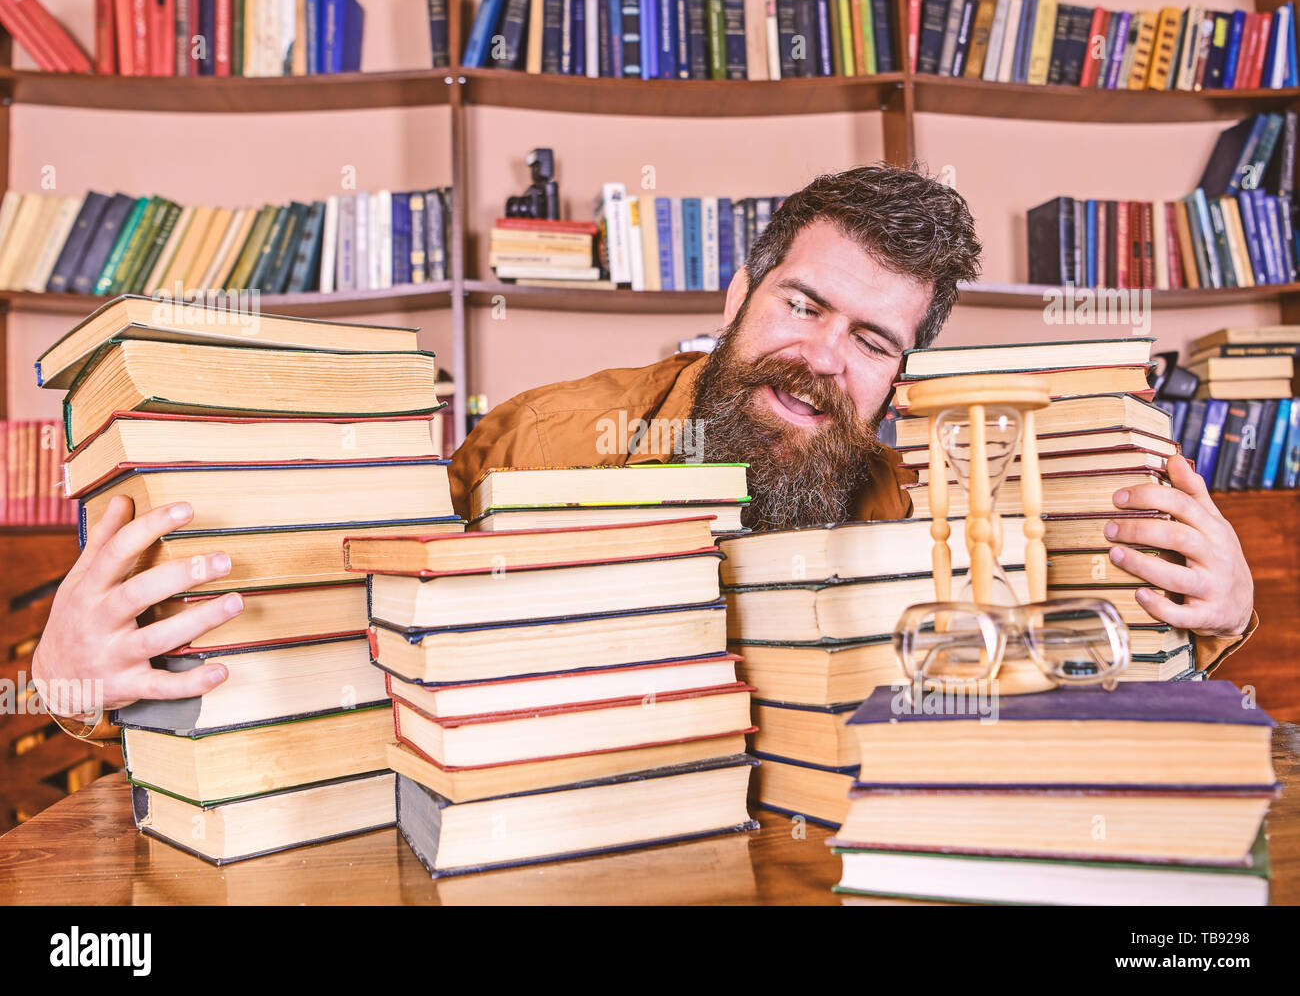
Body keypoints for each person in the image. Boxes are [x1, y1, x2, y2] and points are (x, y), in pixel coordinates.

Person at [32, 163, 1256, 744]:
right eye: (801, 306)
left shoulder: (930, 500)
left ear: (900, 373)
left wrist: (1213, 620)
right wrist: (74, 684)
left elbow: (1050, 690)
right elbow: (322, 656)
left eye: (872, 338)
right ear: (735, 293)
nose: (823, 357)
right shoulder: (542, 439)